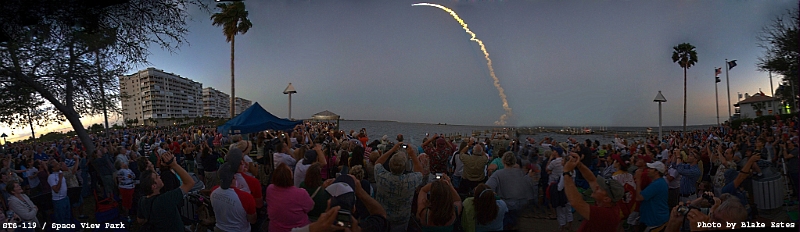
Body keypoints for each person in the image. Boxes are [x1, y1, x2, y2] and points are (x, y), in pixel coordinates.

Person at [562, 153, 624, 232]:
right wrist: (579, 164)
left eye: (600, 188)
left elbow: (575, 202)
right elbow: (592, 179)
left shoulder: (606, 214)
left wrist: (566, 173)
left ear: (606, 199)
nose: (597, 187)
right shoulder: (609, 204)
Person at [136, 150, 196, 231]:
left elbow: (140, 220)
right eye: (157, 177)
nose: (160, 177)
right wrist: (174, 164)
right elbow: (190, 182)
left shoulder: (142, 201)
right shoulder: (164, 200)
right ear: (154, 186)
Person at [374, 143, 423, 232]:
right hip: (402, 219)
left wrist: (392, 150)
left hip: (382, 216)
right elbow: (420, 173)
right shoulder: (410, 181)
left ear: (389, 164)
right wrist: (412, 154)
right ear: (404, 167)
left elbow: (378, 163)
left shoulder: (381, 176)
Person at [485, 152, 535, 230]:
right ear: (514, 162)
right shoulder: (520, 173)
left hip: (504, 205)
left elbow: (488, 187)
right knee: (513, 225)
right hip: (518, 204)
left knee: (504, 225)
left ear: (503, 161)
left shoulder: (498, 174)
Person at [211, 148, 256, 232]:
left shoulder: (213, 191)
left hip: (219, 228)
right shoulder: (246, 197)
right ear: (234, 176)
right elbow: (252, 220)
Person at [267, 162, 314, 232]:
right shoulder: (301, 193)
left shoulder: (270, 189)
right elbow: (311, 207)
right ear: (290, 176)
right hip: (299, 229)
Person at [634, 161, 669, 231]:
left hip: (654, 220)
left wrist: (638, 180)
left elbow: (639, 197)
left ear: (657, 172)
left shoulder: (657, 184)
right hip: (656, 217)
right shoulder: (659, 182)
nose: (648, 170)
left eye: (651, 169)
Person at [48, 162, 72, 231]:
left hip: (65, 198)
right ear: (53, 168)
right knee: (61, 220)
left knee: (67, 217)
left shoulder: (60, 172)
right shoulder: (51, 177)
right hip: (58, 200)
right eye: (57, 165)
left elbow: (67, 169)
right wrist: (60, 179)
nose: (59, 165)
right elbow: (56, 190)